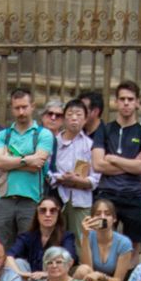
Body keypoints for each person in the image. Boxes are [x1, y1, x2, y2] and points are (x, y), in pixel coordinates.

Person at [0, 87, 53, 245]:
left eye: (24, 107)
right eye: (17, 108)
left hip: (31, 200)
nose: (21, 112)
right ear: (12, 109)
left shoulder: (43, 134)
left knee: (29, 247)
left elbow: (37, 165)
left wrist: (9, 161)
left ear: (33, 106)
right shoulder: (3, 135)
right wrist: (26, 160)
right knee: (1, 247)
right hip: (5, 198)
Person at [91, 81, 141, 245]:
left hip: (134, 196)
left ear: (137, 103)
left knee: (133, 245)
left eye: (131, 99)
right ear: (116, 102)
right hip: (107, 195)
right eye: (122, 99)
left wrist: (115, 159)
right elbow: (98, 165)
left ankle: (129, 272)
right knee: (102, 241)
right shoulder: (104, 129)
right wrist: (132, 165)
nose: (126, 103)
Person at [49, 98, 99, 239]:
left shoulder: (90, 145)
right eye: (70, 114)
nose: (74, 118)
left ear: (85, 119)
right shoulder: (54, 143)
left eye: (78, 114)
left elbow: (95, 179)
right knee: (56, 240)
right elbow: (46, 170)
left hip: (81, 201)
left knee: (82, 241)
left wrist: (78, 180)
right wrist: (61, 178)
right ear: (64, 119)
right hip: (58, 198)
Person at [77, 198, 135, 281]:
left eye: (107, 214)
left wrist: (100, 276)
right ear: (92, 218)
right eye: (98, 214)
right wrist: (85, 236)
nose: (102, 217)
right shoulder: (87, 236)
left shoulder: (123, 243)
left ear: (114, 219)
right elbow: (87, 268)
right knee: (82, 270)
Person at [8, 194, 75, 276]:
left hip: (57, 280)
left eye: (52, 211)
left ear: (58, 214)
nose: (47, 214)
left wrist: (45, 274)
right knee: (19, 263)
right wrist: (21, 274)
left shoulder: (67, 237)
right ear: (37, 214)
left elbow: (69, 261)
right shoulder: (27, 236)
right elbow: (9, 256)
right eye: (43, 210)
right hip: (31, 279)